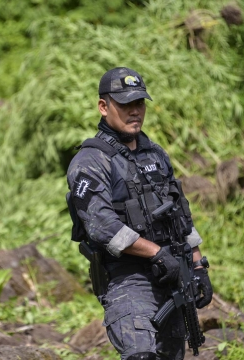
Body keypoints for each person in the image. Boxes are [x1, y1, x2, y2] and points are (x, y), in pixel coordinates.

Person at [66, 67, 213, 360]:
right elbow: (101, 226)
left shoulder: (156, 155)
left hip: (172, 275)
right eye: (125, 105)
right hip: (129, 279)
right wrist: (156, 252)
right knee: (141, 355)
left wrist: (198, 266)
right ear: (103, 107)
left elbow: (181, 214)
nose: (135, 112)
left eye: (139, 103)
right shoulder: (91, 161)